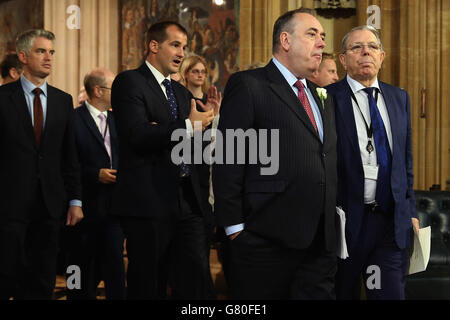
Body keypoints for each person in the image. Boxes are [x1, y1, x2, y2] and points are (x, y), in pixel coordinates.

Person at [213, 8, 338, 299]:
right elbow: (230, 159)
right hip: (265, 243)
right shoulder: (250, 85)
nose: (321, 42)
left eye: (322, 36)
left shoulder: (320, 97)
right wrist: (235, 230)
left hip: (319, 244)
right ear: (285, 40)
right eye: (312, 34)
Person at [111, 21, 219, 300]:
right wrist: (187, 126)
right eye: (175, 45)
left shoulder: (182, 93)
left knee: (195, 280)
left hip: (188, 200)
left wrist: (209, 124)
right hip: (149, 200)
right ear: (154, 46)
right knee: (148, 282)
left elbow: (191, 146)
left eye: (184, 47)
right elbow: (137, 134)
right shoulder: (129, 82)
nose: (182, 53)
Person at [326, 25, 419, 300]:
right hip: (346, 224)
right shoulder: (328, 99)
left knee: (388, 294)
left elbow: (406, 162)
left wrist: (410, 208)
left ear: (382, 56)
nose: (366, 52)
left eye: (372, 47)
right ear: (343, 59)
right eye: (356, 47)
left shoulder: (399, 97)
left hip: (390, 225)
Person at [0, 29, 83, 300]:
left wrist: (75, 201)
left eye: (52, 52)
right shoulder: (2, 98)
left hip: (50, 205)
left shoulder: (62, 101)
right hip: (9, 206)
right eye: (41, 51)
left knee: (42, 279)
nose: (48, 58)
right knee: (6, 276)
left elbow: (70, 156)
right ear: (23, 56)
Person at [66, 68, 126, 300]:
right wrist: (94, 175)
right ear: (98, 90)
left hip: (113, 207)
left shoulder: (117, 119)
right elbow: (66, 164)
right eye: (113, 87)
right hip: (82, 207)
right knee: (78, 269)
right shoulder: (72, 119)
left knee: (115, 269)